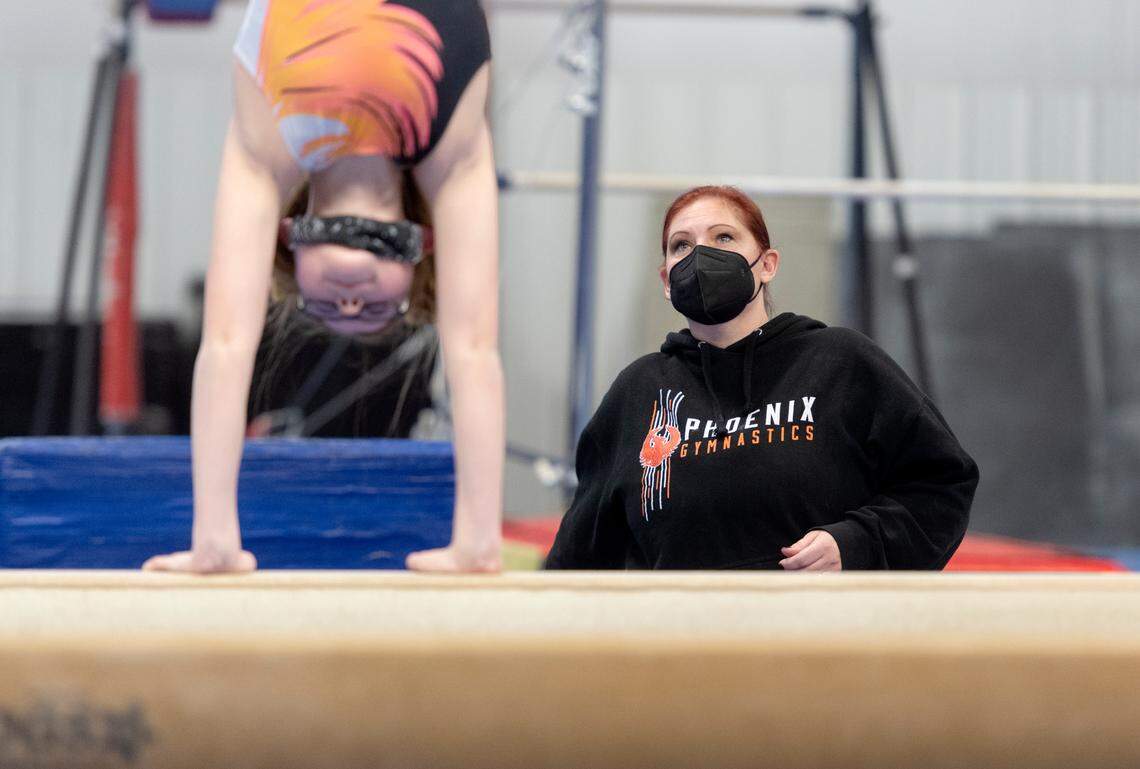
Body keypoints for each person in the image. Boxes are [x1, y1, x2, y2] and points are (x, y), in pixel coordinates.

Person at [143, 0, 503, 574]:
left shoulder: (263, 151)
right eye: (375, 309)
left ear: (288, 241)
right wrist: (479, 538)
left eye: (329, 305)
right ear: (422, 250)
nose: (352, 299)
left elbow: (227, 344)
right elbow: (475, 348)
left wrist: (214, 537)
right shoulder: (452, 151)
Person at [545, 186, 978, 571]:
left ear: (767, 264)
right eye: (682, 245)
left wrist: (855, 543)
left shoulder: (841, 363)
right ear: (666, 280)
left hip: (819, 630)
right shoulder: (638, 393)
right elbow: (580, 556)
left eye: (723, 237)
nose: (700, 255)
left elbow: (942, 486)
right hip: (682, 633)